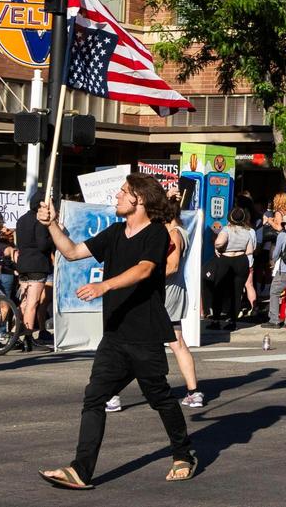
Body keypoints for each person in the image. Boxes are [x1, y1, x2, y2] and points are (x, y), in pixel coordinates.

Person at [36, 174, 195, 489]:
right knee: (94, 397)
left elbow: (145, 269)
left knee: (160, 397)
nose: (117, 196)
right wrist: (51, 224)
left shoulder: (157, 235)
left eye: (124, 192)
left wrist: (104, 285)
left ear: (139, 200)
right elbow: (71, 252)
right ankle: (81, 470)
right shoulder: (114, 233)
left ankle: (183, 453)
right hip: (115, 334)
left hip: (145, 334)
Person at [108, 197, 204, 412]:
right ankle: (193, 391)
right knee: (176, 342)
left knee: (139, 344)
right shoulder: (180, 230)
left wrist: (147, 274)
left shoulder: (172, 234)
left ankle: (112, 393)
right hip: (174, 292)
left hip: (165, 293)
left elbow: (173, 265)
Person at [15, 189, 54, 351]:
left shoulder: (22, 220)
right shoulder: (39, 221)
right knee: (33, 302)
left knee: (24, 303)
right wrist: (54, 238)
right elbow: (43, 244)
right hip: (37, 265)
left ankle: (19, 335)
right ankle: (28, 339)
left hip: (23, 263)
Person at [205, 207, 254, 331]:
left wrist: (218, 247)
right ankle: (232, 321)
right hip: (241, 261)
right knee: (237, 292)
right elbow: (250, 250)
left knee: (218, 290)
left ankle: (216, 320)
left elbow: (219, 243)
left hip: (226, 261)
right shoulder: (247, 232)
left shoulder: (226, 229)